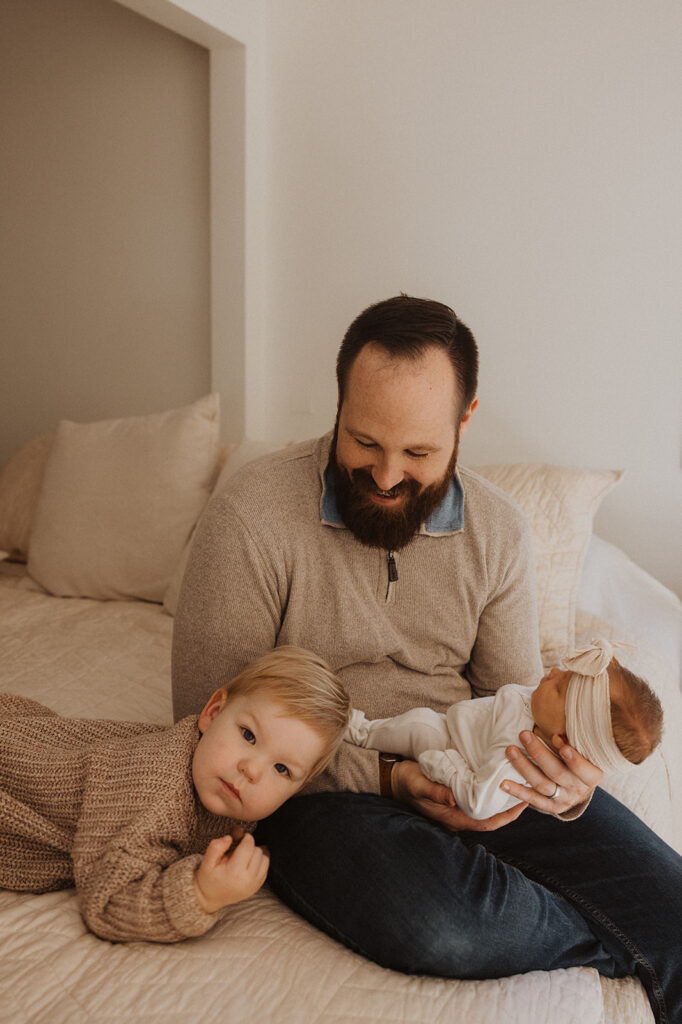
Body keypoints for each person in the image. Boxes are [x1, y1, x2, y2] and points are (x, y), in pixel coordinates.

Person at [172, 295, 682, 1022]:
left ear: (465, 422)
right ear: (339, 401)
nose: (384, 475)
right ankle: (621, 939)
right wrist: (391, 778)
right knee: (445, 925)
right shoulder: (251, 514)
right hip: (316, 785)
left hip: (468, 761)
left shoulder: (499, 531)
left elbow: (511, 698)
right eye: (363, 441)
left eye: (417, 452)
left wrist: (555, 778)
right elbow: (207, 720)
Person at [0, 646, 350, 943]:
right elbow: (106, 902)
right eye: (248, 735)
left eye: (282, 770)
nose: (252, 770)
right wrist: (201, 893)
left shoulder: (227, 796)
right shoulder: (158, 787)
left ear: (296, 790)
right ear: (212, 714)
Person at [346, 638, 664, 819]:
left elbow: (479, 803)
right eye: (564, 673)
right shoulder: (541, 712)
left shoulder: (517, 756)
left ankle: (361, 731)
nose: (552, 671)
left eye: (559, 687)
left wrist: (449, 768)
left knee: (419, 725)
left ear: (563, 740)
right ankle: (361, 731)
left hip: (449, 748)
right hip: (452, 731)